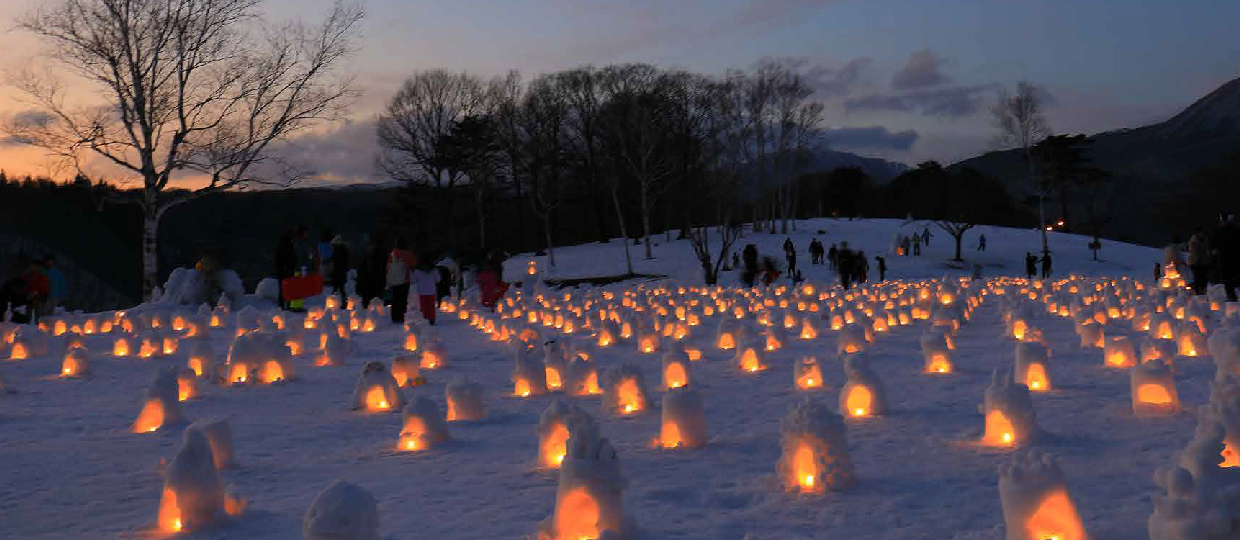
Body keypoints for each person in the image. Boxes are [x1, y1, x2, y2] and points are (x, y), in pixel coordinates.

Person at [385, 239, 418, 323]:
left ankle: (394, 317)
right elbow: (414, 263)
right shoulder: (407, 254)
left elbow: (388, 266)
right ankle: (402, 316)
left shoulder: (392, 253)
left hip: (394, 280)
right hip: (405, 280)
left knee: (395, 298)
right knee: (403, 299)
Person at [1211, 212, 1240, 302]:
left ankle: (1231, 296)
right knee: (1234, 276)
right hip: (1235, 257)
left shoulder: (1221, 231)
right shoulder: (1236, 230)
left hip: (1225, 258)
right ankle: (1233, 296)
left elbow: (1216, 245)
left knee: (1227, 278)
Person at [275, 227, 298, 309]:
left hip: (282, 270)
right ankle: (287, 305)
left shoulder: (281, 245)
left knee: (282, 289)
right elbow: (291, 258)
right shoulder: (288, 245)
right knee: (288, 289)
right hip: (286, 269)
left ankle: (282, 306)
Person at [411, 260, 438, 325]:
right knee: (431, 307)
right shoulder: (434, 271)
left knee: (424, 307)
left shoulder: (418, 271)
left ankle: (426, 319)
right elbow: (438, 279)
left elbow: (413, 280)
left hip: (422, 291)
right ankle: (431, 319)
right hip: (431, 291)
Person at [23, 258, 50, 323]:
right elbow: (23, 283)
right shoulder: (28, 274)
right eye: (33, 266)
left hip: (39, 296)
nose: (34, 267)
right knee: (28, 311)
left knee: (37, 313)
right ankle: (26, 324)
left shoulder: (42, 275)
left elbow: (43, 286)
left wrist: (34, 293)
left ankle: (38, 327)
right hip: (30, 296)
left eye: (35, 266)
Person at [1188, 227, 1210, 295]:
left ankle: (1203, 291)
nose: (1202, 234)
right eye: (1201, 233)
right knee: (1198, 277)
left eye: (1203, 232)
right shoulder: (1193, 241)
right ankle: (1197, 292)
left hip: (1203, 262)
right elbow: (1193, 252)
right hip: (1195, 262)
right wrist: (1197, 260)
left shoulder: (1205, 239)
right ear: (1198, 233)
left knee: (1204, 278)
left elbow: (1206, 249)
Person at [329, 235, 350, 302]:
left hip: (338, 271)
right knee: (340, 288)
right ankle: (342, 302)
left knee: (338, 288)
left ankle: (335, 302)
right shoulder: (342, 249)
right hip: (340, 272)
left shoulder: (338, 249)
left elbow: (335, 260)